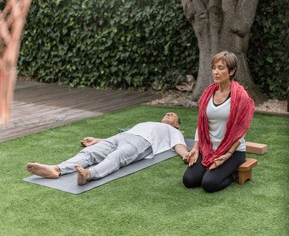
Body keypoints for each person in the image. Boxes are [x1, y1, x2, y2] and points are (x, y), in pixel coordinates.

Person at [27, 112, 189, 185]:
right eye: (167, 114)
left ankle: (88, 175)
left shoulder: (173, 131)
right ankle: (57, 169)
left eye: (172, 115)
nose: (168, 114)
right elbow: (128, 133)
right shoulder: (149, 123)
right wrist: (97, 140)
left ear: (177, 124)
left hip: (141, 143)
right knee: (89, 153)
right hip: (121, 137)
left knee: (116, 157)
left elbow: (179, 145)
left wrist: (187, 155)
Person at [183, 51, 255, 193]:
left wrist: (228, 154)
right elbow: (201, 125)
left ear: (232, 71)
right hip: (208, 148)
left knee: (209, 184)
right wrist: (195, 149)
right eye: (214, 68)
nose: (216, 72)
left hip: (232, 151)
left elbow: (241, 130)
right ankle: (210, 169)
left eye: (221, 68)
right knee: (189, 180)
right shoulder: (208, 93)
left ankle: (232, 175)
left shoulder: (241, 96)